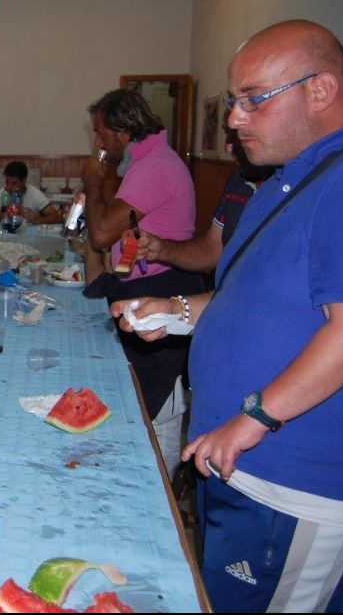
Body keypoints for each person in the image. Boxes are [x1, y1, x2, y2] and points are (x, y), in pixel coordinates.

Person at [113, 20, 343, 613]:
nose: (233, 118)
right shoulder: (283, 183)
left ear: (321, 90)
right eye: (234, 101)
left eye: (253, 99)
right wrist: (177, 309)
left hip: (298, 484)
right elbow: (250, 300)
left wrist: (254, 418)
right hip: (239, 466)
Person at [81, 89, 206, 481]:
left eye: (101, 133)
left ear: (122, 130)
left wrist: (94, 182)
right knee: (138, 399)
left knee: (159, 410)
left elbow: (102, 233)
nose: (98, 142)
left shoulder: (155, 168)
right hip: (142, 287)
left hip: (165, 291)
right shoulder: (143, 163)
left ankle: (161, 490)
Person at [128, 130, 273, 273]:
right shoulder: (238, 182)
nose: (228, 148)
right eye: (229, 134)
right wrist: (161, 249)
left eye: (239, 136)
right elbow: (212, 248)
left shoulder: (287, 193)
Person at [0, 160, 61, 225]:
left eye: (14, 183)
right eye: (7, 182)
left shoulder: (34, 193)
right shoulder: (3, 193)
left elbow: (56, 217)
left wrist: (37, 219)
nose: (9, 187)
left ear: (24, 181)